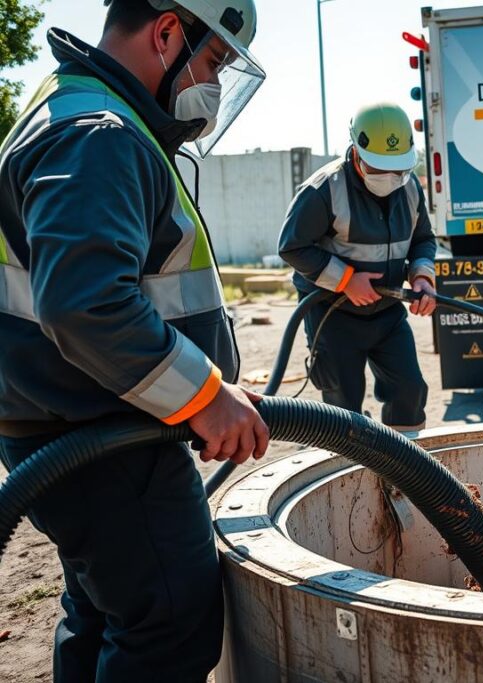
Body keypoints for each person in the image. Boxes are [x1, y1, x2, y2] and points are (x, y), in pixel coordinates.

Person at [0, 1, 267, 679]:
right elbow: (86, 304)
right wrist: (206, 396)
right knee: (170, 622)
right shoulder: (101, 134)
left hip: (80, 430)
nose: (211, 82)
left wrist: (216, 386)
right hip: (106, 439)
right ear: (168, 31)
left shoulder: (77, 110)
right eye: (212, 61)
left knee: (100, 613)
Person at [279, 103, 437, 432]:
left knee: (409, 391)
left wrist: (422, 277)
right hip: (333, 314)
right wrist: (346, 280)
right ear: (356, 151)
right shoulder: (324, 189)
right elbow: (292, 247)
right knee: (343, 409)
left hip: (388, 314)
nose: (390, 179)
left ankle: (408, 474)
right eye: (379, 169)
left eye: (398, 169)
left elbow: (422, 239)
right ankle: (353, 474)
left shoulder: (409, 187)